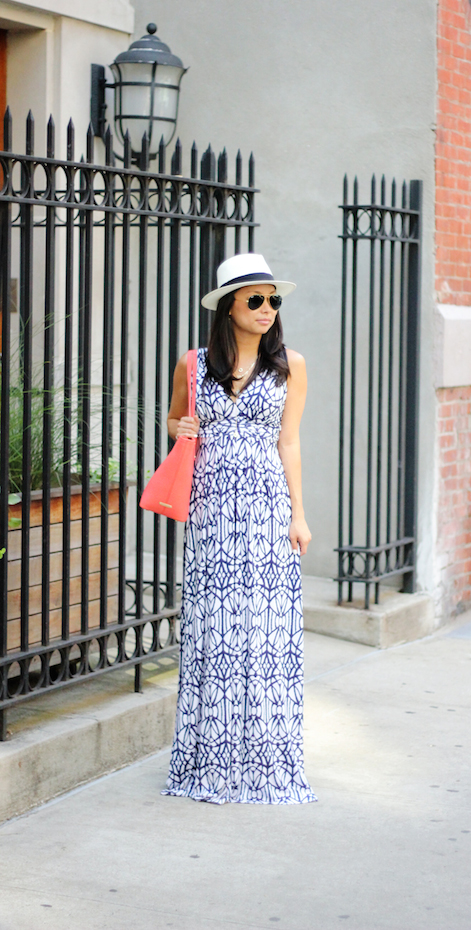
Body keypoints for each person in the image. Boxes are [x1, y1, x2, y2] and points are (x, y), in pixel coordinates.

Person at [162, 253, 317, 805]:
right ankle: (209, 758)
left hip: (266, 509)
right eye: (256, 299)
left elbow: (289, 442)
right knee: (214, 633)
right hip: (210, 508)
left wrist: (299, 515)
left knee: (265, 635)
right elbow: (178, 421)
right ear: (229, 306)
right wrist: (178, 424)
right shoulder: (194, 363)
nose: (268, 309)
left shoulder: (290, 365)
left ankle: (263, 762)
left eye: (274, 300)